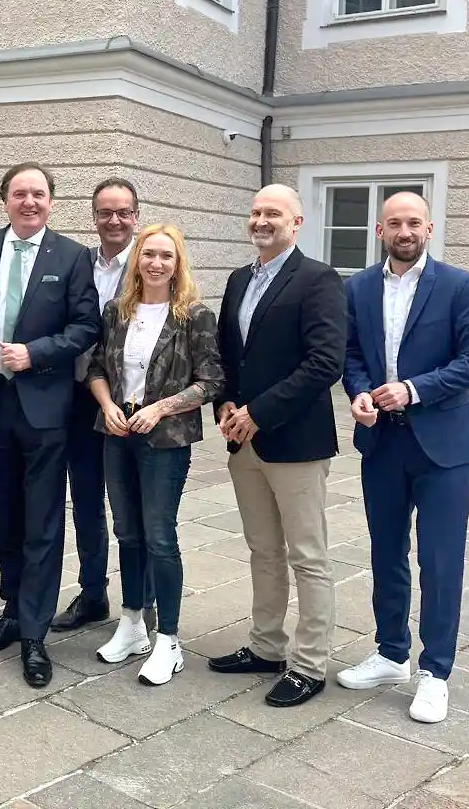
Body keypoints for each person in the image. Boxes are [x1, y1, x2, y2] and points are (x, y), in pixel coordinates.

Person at [336, 192, 469, 724]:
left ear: (428, 227)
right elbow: (352, 353)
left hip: (443, 445)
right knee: (386, 552)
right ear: (379, 230)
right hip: (381, 442)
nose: (404, 231)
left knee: (440, 559)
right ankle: (389, 653)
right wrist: (359, 393)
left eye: (413, 223)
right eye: (393, 224)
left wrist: (413, 389)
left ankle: (436, 671)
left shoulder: (457, 285)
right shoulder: (357, 287)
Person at [208, 185, 347, 708]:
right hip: (242, 440)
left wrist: (258, 413)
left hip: (294, 441)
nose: (262, 221)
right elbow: (227, 353)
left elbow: (325, 361)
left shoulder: (318, 279)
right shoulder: (240, 278)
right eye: (256, 212)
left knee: (308, 556)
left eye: (273, 213)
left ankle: (310, 666)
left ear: (297, 221)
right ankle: (266, 646)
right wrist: (224, 402)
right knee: (263, 550)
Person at [0, 163, 101, 688]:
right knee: (4, 516)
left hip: (45, 408)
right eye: (20, 194)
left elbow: (86, 325)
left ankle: (36, 633)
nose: (29, 202)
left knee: (42, 521)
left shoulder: (71, 255)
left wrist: (36, 354)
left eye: (38, 194)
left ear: (51, 202)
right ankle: (12, 608)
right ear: (4, 200)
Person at [87, 225, 223, 684]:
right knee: (126, 532)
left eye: (166, 255)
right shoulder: (117, 311)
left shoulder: (194, 316)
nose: (156, 263)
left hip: (165, 439)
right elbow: (97, 369)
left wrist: (160, 408)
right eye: (149, 255)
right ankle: (132, 623)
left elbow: (211, 381)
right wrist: (107, 407)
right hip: (118, 433)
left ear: (178, 263)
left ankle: (169, 640)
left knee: (160, 536)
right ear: (137, 261)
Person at [53, 177, 147, 634]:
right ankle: (93, 593)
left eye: (123, 212)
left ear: (135, 216)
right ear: (93, 218)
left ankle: (144, 600)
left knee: (136, 507)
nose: (114, 220)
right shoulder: (78, 263)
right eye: (105, 213)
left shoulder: (150, 264)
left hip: (133, 404)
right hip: (79, 398)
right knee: (86, 501)